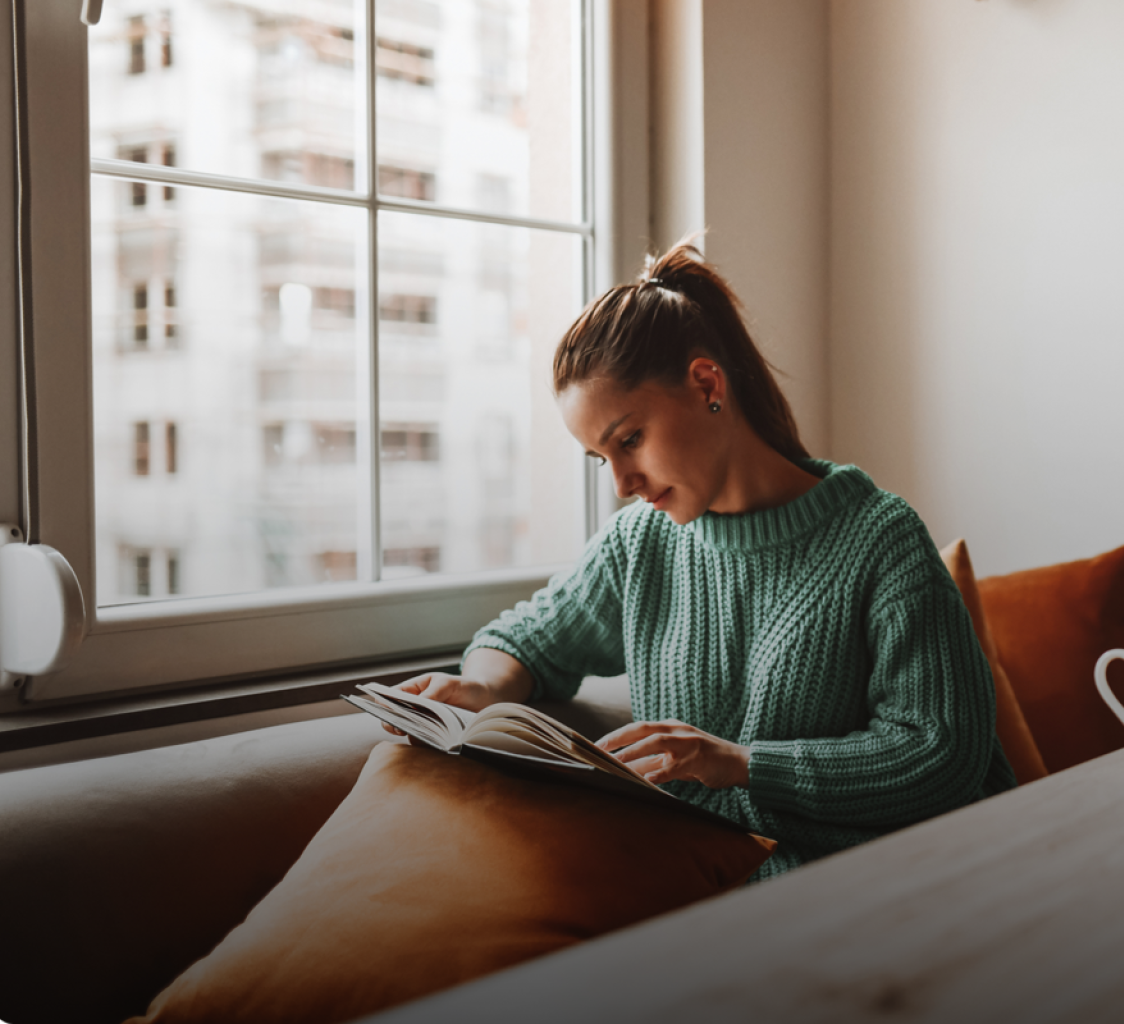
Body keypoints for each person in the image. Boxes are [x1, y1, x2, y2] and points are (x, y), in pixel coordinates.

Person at [392, 239, 1014, 879]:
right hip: (719, 897)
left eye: (629, 440)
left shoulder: (880, 539)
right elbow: (522, 638)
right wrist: (485, 686)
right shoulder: (640, 544)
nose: (622, 483)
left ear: (706, 383)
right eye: (601, 460)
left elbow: (940, 756)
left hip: (908, 884)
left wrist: (739, 764)